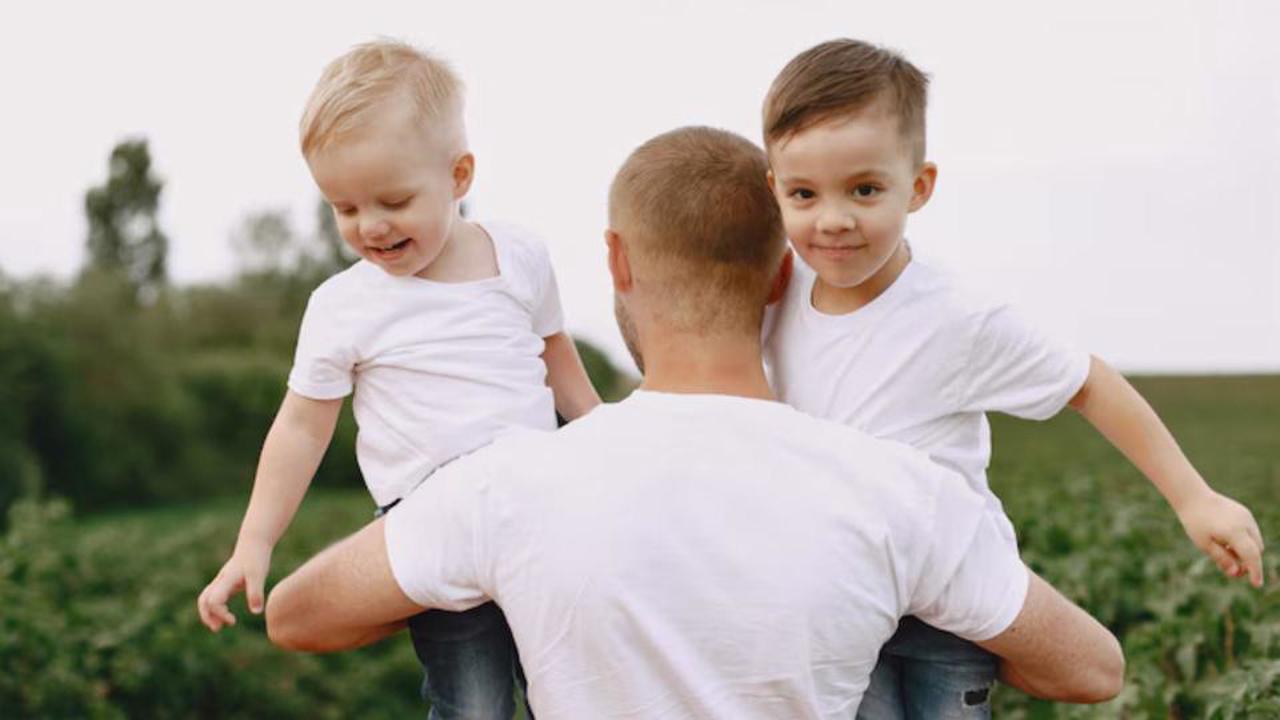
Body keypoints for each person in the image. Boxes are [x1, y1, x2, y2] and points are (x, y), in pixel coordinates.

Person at [264, 126, 1125, 718]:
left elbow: (299, 615)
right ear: (782, 274)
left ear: (617, 261)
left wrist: (475, 581)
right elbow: (1092, 668)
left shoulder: (500, 486)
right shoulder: (901, 491)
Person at [759, 38, 1265, 719]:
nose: (834, 219)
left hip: (950, 608)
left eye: (865, 190)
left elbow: (1089, 383)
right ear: (775, 190)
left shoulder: (956, 317)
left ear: (919, 186)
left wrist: (1194, 498)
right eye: (804, 194)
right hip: (845, 601)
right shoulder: (774, 297)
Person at [195, 39, 601, 719]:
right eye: (345, 208)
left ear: (459, 175)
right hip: (431, 538)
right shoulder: (344, 305)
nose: (372, 227)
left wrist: (601, 436)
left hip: (538, 514)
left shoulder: (519, 256)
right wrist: (254, 542)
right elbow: (301, 428)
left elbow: (556, 358)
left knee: (571, 691)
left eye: (393, 200)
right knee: (474, 704)